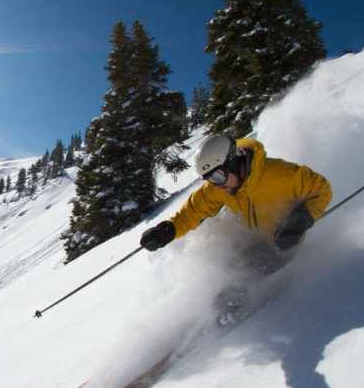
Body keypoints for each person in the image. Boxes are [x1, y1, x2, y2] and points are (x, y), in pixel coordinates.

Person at [140, 135, 333, 317]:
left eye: (217, 177)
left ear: (233, 164)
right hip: (249, 238)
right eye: (209, 180)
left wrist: (297, 224)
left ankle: (232, 318)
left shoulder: (281, 175)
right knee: (217, 268)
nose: (216, 186)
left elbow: (322, 189)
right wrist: (168, 230)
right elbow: (193, 211)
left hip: (281, 244)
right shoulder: (221, 187)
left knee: (235, 283)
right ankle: (199, 314)